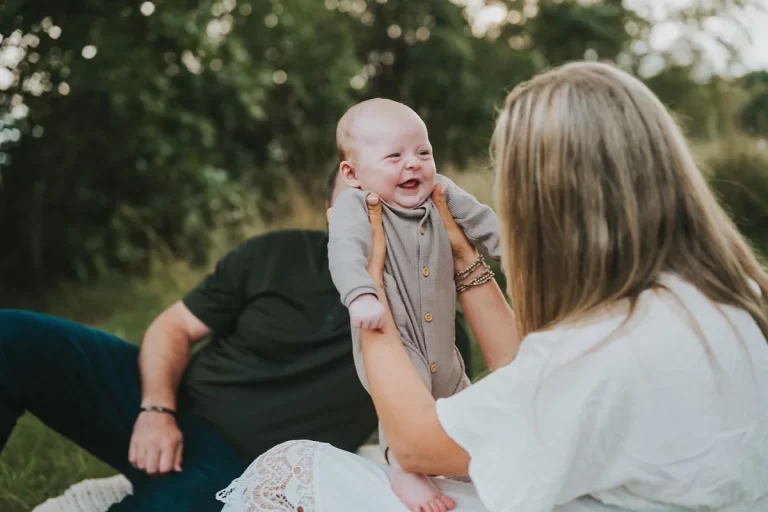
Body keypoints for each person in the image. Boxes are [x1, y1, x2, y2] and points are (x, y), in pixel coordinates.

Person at [216, 61, 768, 512]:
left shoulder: (602, 352)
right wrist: (468, 262)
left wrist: (374, 288)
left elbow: (415, 442)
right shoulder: (725, 297)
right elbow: (529, 376)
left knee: (285, 472)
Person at [0, 164, 476, 511]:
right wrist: (156, 409)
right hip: (166, 402)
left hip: (239, 465)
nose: (373, 219)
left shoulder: (436, 320)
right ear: (333, 215)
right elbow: (175, 327)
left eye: (388, 204)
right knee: (12, 337)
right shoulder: (274, 254)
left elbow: (432, 436)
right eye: (358, 205)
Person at [327, 98, 500, 511]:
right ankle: (405, 467)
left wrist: (518, 257)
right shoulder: (357, 206)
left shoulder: (441, 192)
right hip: (393, 332)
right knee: (404, 401)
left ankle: (462, 463)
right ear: (352, 174)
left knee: (459, 399)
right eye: (394, 156)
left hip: (443, 342)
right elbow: (345, 251)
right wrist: (360, 294)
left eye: (423, 152)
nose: (414, 164)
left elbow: (485, 223)